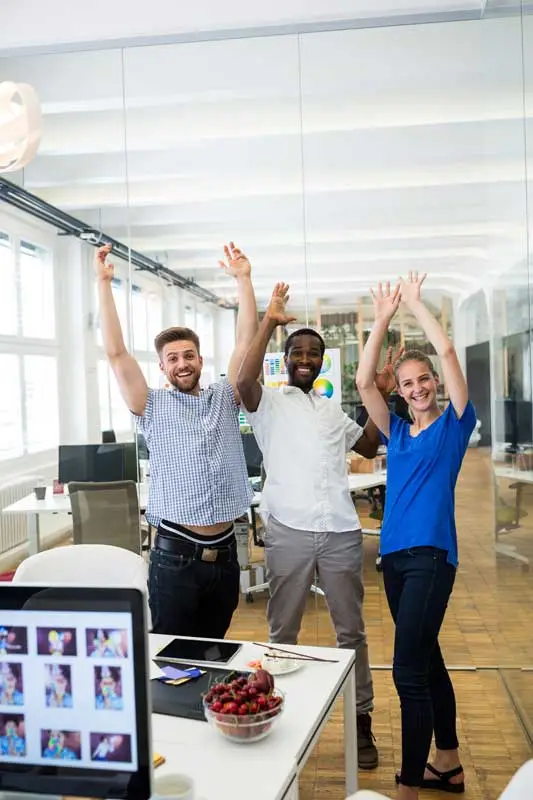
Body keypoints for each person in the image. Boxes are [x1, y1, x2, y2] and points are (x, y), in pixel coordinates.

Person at [237, 282, 398, 770]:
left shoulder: (331, 410)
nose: (305, 359)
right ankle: (274, 715)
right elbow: (243, 380)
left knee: (351, 632)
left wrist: (382, 395)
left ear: (322, 362)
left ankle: (362, 721)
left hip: (341, 532)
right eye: (297, 352)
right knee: (281, 631)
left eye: (313, 354)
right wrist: (268, 321)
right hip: (288, 528)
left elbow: (369, 446)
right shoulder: (267, 403)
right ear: (285, 360)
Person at [95, 242, 258, 637]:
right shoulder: (149, 404)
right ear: (163, 366)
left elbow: (246, 343)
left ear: (201, 360)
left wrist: (244, 280)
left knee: (216, 651)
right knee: (172, 660)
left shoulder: (224, 396)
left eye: (189, 355)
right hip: (175, 555)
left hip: (225, 555)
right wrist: (103, 284)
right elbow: (116, 354)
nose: (182, 363)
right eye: (173, 358)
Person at [356, 272, 476, 799]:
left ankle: (408, 785)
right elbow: (364, 383)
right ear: (400, 394)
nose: (418, 387)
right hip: (395, 561)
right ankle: (446, 765)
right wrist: (381, 318)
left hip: (432, 557)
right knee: (427, 658)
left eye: (423, 378)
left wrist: (414, 305)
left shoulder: (454, 425)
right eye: (407, 384)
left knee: (407, 672)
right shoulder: (398, 432)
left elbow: (449, 352)